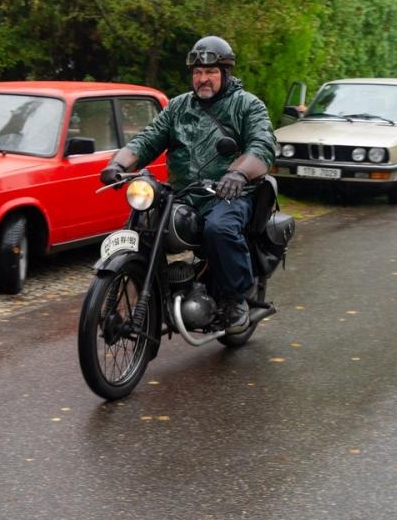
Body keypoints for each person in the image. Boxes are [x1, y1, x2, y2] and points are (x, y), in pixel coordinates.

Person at [99, 36, 276, 333]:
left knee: (219, 229)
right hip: (183, 194)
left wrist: (239, 173)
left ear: (225, 72)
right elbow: (148, 138)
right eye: (197, 73)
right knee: (144, 223)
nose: (203, 79)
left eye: (210, 72)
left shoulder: (247, 105)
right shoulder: (179, 106)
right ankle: (146, 291)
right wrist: (118, 163)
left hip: (228, 194)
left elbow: (262, 146)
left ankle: (235, 300)